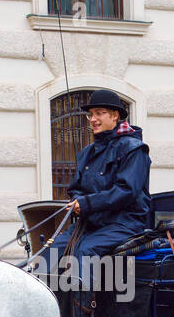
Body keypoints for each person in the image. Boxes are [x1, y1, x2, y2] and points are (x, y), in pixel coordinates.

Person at [51, 89, 152, 271]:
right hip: (91, 223)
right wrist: (77, 202)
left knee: (85, 250)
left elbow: (126, 191)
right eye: (90, 115)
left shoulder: (134, 149)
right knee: (53, 251)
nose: (93, 119)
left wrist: (87, 203)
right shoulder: (87, 152)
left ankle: (83, 299)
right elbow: (76, 188)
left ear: (115, 116)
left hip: (124, 224)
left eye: (99, 113)